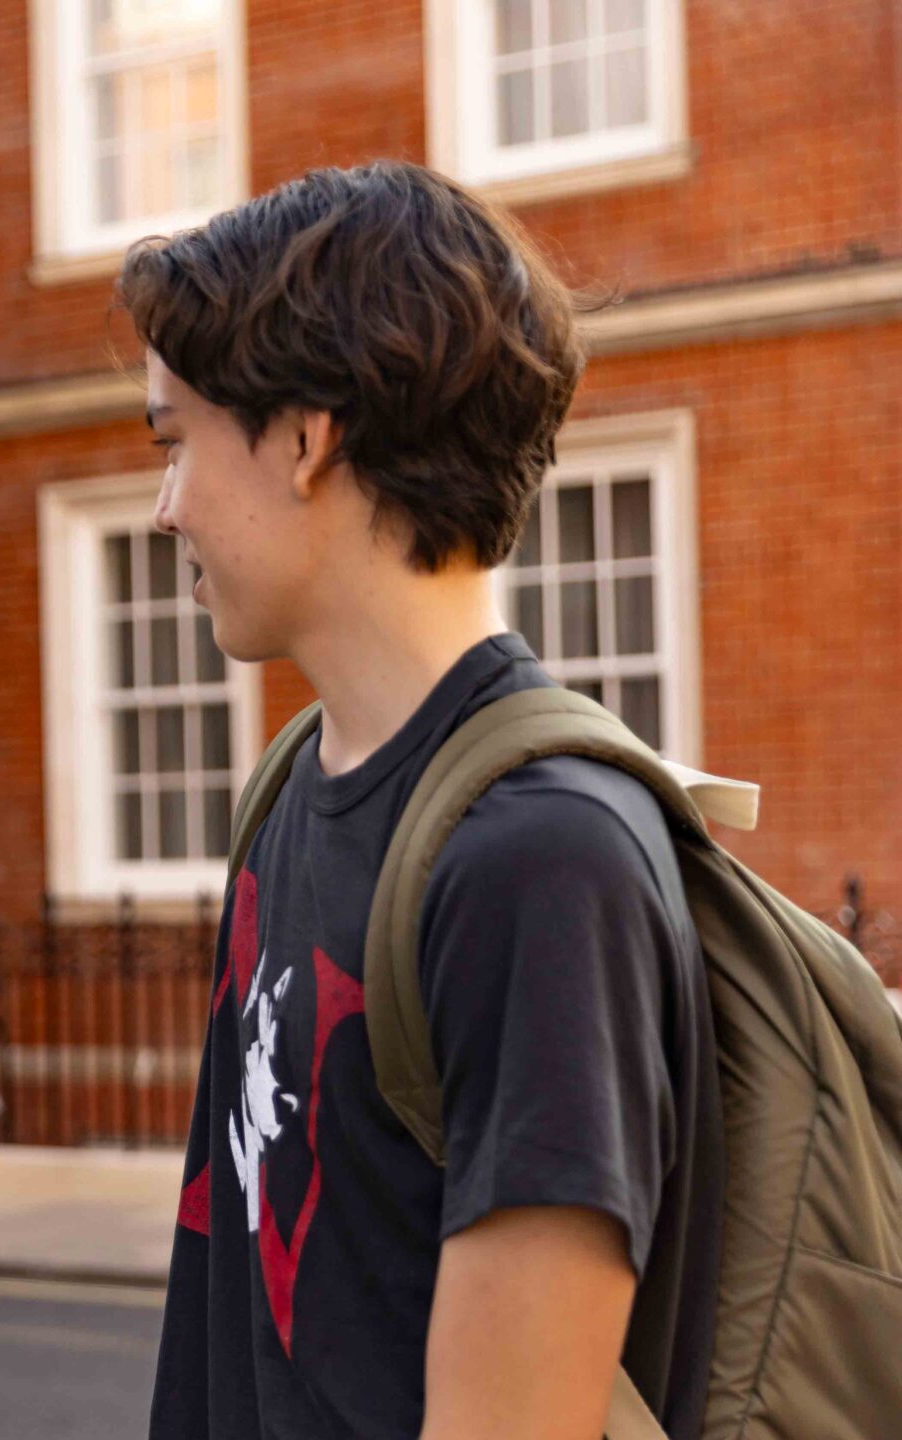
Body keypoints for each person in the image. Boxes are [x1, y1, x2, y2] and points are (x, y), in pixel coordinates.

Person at [130, 161, 722, 1439]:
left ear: (303, 437)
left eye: (175, 441)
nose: (164, 507)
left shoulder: (545, 862)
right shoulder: (297, 785)